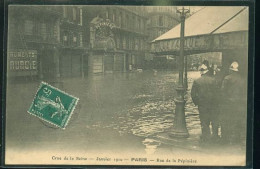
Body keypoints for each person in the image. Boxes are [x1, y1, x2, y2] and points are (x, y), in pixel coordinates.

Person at [220, 61, 247, 145]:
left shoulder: (227, 78)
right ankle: (237, 138)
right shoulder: (242, 79)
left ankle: (227, 138)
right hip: (239, 103)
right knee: (238, 120)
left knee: (227, 120)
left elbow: (222, 91)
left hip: (229, 103)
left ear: (231, 70)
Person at [191, 63, 219, 143]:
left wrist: (197, 102)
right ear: (207, 71)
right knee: (214, 120)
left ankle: (206, 137)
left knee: (204, 121)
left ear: (201, 72)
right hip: (213, 104)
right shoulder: (213, 80)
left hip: (202, 105)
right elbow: (217, 93)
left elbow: (193, 94)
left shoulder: (197, 81)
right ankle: (215, 137)